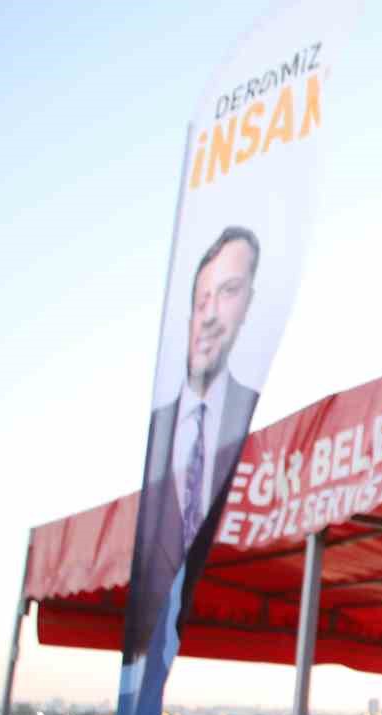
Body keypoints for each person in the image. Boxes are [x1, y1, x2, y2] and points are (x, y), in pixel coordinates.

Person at [126, 226, 263, 657]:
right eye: (201, 299)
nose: (208, 315)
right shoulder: (161, 429)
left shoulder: (251, 422)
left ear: (248, 305)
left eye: (227, 292)